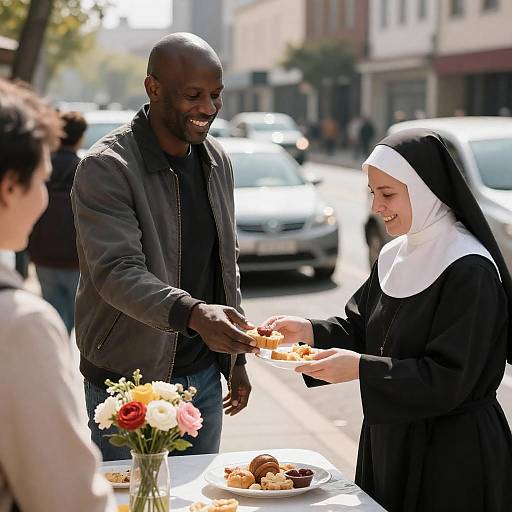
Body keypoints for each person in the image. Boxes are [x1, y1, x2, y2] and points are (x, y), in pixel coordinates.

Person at [264, 129, 512, 512]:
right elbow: (365, 328)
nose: (377, 206)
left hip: (454, 454)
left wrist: (362, 370)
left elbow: (450, 378)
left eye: (388, 194)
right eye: (372, 193)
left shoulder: (470, 268)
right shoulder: (395, 253)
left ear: (425, 189)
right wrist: (309, 331)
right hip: (389, 440)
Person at [72, 33, 258, 461]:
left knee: (197, 503)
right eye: (193, 95)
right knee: (135, 502)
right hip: (126, 380)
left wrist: (236, 361)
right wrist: (193, 314)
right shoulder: (106, 167)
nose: (208, 109)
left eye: (216, 95)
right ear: (153, 88)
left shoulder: (217, 160)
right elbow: (115, 271)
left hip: (204, 378)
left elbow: (224, 265)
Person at [0, 79, 116, 511]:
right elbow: (69, 500)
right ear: (11, 186)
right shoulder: (20, 324)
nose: (43, 201)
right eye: (40, 183)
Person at [27, 111, 87, 334]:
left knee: (52, 310)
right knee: (74, 315)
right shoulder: (85, 169)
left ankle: (54, 348)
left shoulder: (43, 168)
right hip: (75, 258)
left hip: (43, 254)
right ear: (80, 138)